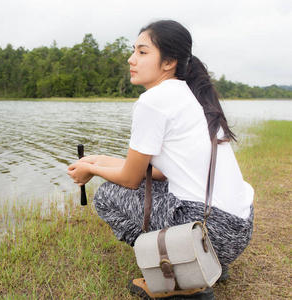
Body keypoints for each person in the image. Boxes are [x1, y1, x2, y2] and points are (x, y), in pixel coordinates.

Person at [67, 20, 254, 299]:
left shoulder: (153, 101)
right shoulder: (190, 97)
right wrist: (99, 160)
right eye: (133, 51)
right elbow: (159, 173)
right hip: (237, 230)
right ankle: (206, 264)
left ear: (168, 62)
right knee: (155, 189)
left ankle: (181, 279)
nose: (131, 59)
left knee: (106, 196)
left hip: (207, 230)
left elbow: (131, 179)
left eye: (142, 52)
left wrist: (90, 170)